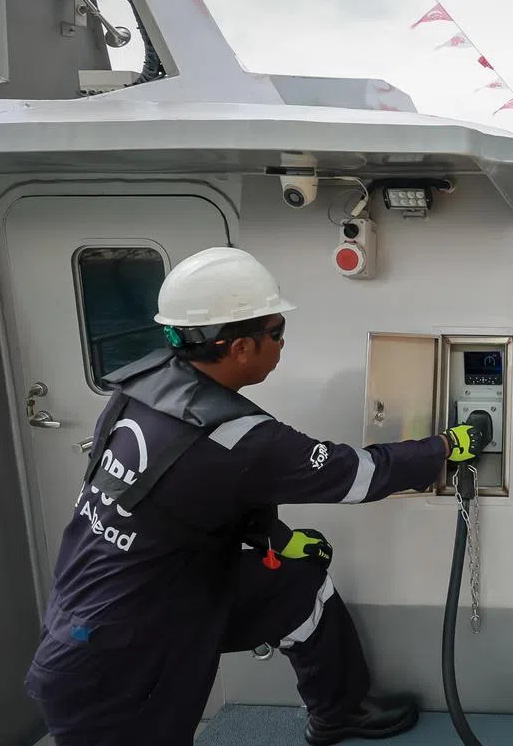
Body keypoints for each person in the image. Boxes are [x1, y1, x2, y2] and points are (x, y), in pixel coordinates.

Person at [24, 247, 487, 746]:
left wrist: (278, 540)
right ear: (239, 347)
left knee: (296, 586)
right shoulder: (241, 438)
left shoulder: (140, 386)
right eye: (276, 332)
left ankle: (338, 710)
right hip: (118, 658)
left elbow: (191, 497)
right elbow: (360, 475)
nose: (282, 344)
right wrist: (446, 447)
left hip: (143, 599)